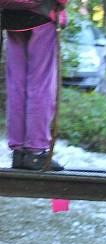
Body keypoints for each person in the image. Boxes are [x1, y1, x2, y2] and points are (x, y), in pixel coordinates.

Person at [2, 0, 67, 171]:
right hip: (42, 12)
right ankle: (35, 151)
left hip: (11, 14)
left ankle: (18, 151)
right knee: (41, 84)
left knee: (16, 84)